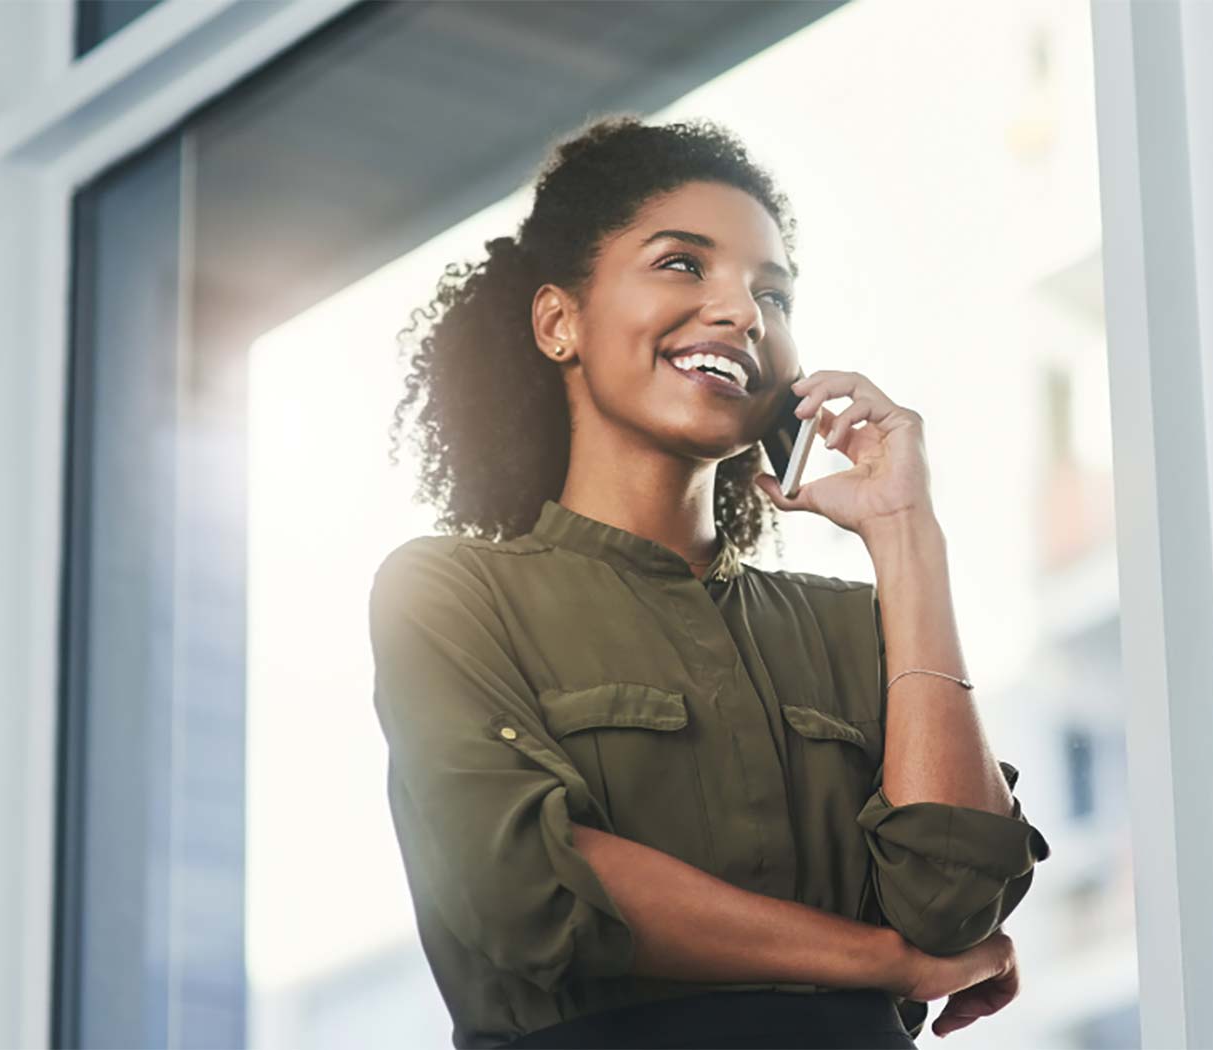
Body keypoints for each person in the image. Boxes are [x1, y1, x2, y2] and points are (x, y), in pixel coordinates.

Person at [370, 113, 1051, 1050]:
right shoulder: (452, 594)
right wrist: (876, 963)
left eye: (773, 292)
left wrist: (905, 534)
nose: (742, 312)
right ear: (559, 321)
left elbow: (950, 909)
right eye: (683, 264)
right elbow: (526, 888)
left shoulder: (858, 627)